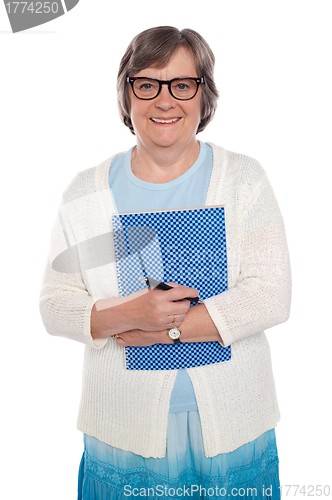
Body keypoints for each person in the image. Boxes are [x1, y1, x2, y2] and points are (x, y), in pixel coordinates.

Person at [40, 26, 291, 499]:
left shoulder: (243, 181)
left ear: (203, 95)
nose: (164, 100)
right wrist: (126, 315)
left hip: (232, 431)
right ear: (127, 93)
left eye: (182, 84)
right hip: (124, 433)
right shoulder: (88, 192)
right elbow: (55, 304)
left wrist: (164, 329)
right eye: (147, 84)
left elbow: (271, 295)